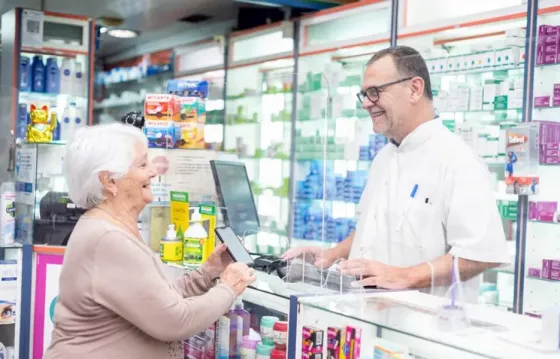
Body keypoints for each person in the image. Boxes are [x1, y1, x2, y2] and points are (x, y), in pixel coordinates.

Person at [283, 46, 509, 302]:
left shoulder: (458, 161)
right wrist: (331, 255)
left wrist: (404, 276)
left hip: (422, 330)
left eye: (375, 92)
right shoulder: (384, 157)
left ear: (414, 89)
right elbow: (373, 229)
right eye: (364, 94)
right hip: (367, 320)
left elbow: (478, 256)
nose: (367, 103)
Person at [44, 123, 256, 359]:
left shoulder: (114, 227)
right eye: (143, 164)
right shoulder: (107, 239)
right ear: (109, 181)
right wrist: (228, 288)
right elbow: (174, 321)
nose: (154, 171)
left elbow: (159, 301)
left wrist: (209, 272)